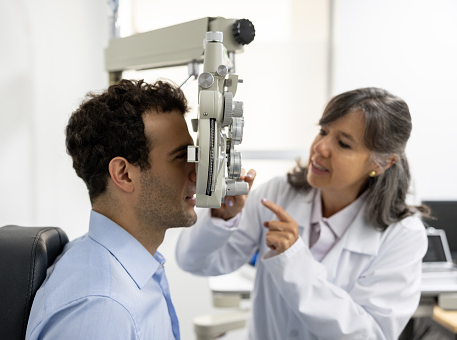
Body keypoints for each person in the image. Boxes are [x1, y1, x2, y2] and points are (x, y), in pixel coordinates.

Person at [176, 87, 429, 339]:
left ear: (381, 163)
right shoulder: (278, 193)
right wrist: (222, 219)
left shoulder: (403, 236)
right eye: (323, 131)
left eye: (343, 143)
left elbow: (370, 335)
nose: (320, 147)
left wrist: (294, 262)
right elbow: (193, 261)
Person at [26, 79, 197, 340]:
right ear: (124, 174)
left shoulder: (131, 270)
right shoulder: (102, 311)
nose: (196, 174)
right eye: (180, 157)